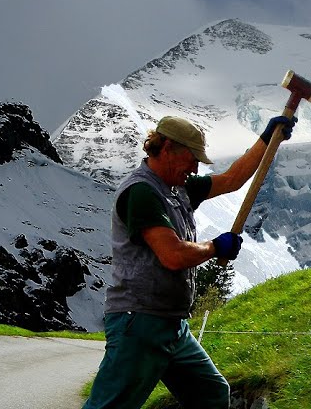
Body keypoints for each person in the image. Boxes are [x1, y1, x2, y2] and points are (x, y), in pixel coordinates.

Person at [82, 113, 296, 409]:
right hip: (140, 322)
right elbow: (172, 255)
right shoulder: (142, 192)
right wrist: (214, 247)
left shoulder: (178, 188)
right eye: (191, 158)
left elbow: (233, 180)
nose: (195, 167)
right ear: (167, 148)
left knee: (210, 395)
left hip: (172, 324)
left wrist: (268, 138)